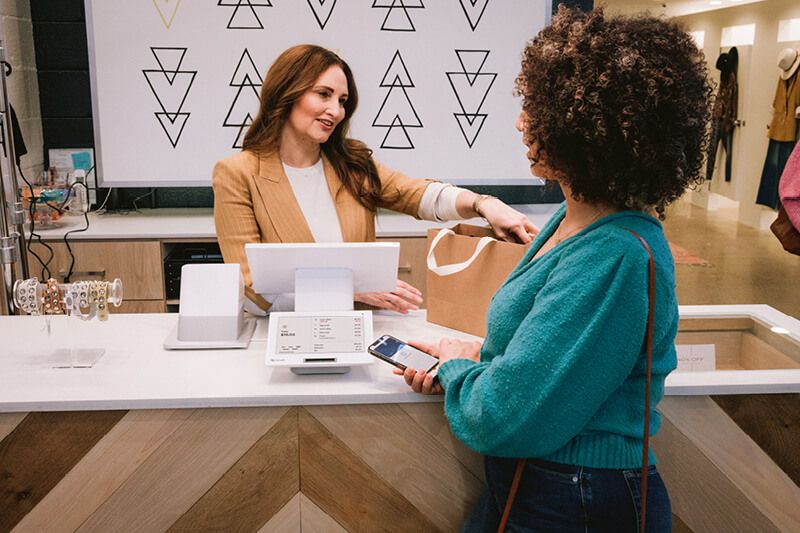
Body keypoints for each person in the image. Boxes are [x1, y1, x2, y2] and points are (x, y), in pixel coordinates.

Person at [398, 7, 712, 532]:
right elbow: (552, 358)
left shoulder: (613, 255)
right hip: (549, 487)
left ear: (588, 129)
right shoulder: (571, 221)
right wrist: (475, 357)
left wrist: (458, 372)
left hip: (576, 500)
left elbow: (502, 416)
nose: (522, 121)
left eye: (536, 108)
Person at [213, 44, 537, 312]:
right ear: (286, 93)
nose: (336, 111)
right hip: (281, 337)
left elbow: (416, 194)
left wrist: (484, 204)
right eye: (323, 94)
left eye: (341, 101)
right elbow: (252, 286)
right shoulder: (237, 173)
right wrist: (348, 291)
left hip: (363, 329)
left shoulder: (350, 164)